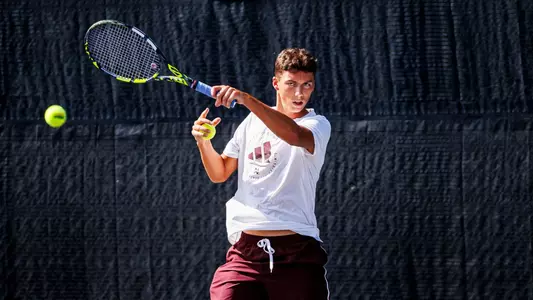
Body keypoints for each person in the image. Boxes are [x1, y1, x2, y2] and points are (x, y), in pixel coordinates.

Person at [191, 48, 331, 300]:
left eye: (307, 85)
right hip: (246, 253)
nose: (299, 93)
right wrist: (204, 143)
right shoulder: (251, 124)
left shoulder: (317, 125)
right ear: (276, 83)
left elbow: (294, 136)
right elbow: (219, 172)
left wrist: (246, 99)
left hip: (297, 253)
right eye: (291, 84)